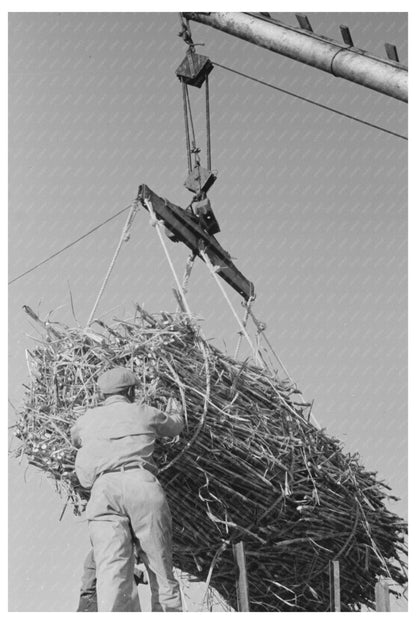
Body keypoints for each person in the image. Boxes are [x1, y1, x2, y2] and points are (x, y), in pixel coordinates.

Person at [71, 366, 184, 612]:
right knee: (160, 571)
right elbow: (175, 426)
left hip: (103, 492)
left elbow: (75, 438)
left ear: (103, 394)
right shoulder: (143, 412)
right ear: (131, 390)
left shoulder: (86, 420)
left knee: (112, 573)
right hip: (140, 486)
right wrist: (175, 405)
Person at [77, 548, 148, 612]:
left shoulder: (105, 550)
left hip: (90, 600)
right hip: (92, 601)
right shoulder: (106, 552)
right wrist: (143, 575)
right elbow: (118, 570)